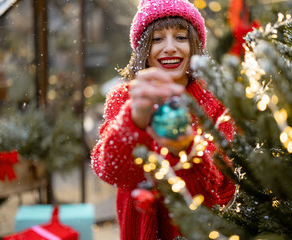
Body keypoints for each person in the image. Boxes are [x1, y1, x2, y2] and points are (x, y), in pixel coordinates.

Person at [91, 0, 236, 239]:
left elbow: (217, 190)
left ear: (195, 45)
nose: (169, 48)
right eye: (157, 39)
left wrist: (186, 148)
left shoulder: (214, 102)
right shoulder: (124, 99)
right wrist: (135, 119)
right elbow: (111, 170)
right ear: (143, 50)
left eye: (180, 37)